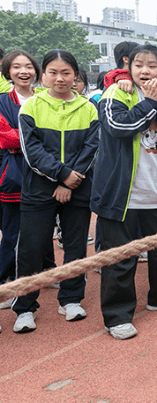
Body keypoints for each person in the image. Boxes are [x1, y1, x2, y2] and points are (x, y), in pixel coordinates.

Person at [93, 44, 157, 340]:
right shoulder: (116, 92)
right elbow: (118, 127)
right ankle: (117, 316)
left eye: (152, 65)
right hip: (121, 194)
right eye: (139, 65)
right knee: (120, 257)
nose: (145, 71)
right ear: (129, 66)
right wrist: (149, 104)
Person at [12, 50, 99, 333]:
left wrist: (69, 182)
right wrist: (62, 176)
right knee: (32, 248)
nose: (60, 78)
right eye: (53, 72)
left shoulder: (88, 108)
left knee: (75, 246)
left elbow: (92, 148)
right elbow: (32, 151)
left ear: (75, 75)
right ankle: (25, 307)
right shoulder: (32, 107)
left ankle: (71, 299)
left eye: (66, 73)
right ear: (44, 75)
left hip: (78, 188)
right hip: (39, 189)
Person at [0, 50, 41, 288]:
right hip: (15, 175)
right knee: (13, 233)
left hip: (45, 173)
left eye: (28, 66)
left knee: (43, 230)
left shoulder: (45, 98)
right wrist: (39, 137)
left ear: (36, 71)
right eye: (16, 67)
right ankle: (5, 279)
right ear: (8, 72)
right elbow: (6, 140)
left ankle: (44, 271)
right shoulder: (3, 102)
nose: (23, 71)